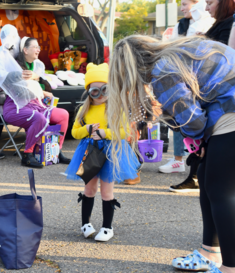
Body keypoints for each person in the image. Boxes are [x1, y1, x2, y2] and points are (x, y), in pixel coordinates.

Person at [108, 35, 235, 272]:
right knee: (208, 180)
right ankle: (210, 253)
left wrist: (199, 141)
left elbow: (192, 121)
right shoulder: (178, 51)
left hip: (231, 112)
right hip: (227, 108)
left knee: (221, 191)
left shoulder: (163, 71)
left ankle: (230, 267)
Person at [65, 63, 140, 242]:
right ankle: (86, 223)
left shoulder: (117, 108)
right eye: (94, 91)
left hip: (112, 153)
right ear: (89, 92)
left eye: (104, 89)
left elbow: (125, 132)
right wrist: (88, 129)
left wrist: (106, 133)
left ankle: (107, 227)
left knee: (107, 192)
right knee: (89, 188)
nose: (100, 95)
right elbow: (74, 132)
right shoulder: (84, 110)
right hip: (90, 151)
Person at [160, 0, 214, 193]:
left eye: (185, 4)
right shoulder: (181, 25)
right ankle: (183, 164)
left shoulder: (209, 23)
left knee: (199, 127)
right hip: (183, 80)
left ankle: (195, 175)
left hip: (203, 83)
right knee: (181, 122)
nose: (182, 9)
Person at [3, 36, 71, 168]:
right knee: (39, 118)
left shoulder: (37, 66)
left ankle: (56, 151)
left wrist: (38, 78)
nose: (38, 49)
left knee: (63, 114)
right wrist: (40, 90)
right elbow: (18, 89)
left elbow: (47, 87)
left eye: (39, 47)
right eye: (35, 47)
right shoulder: (14, 66)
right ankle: (27, 155)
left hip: (36, 105)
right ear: (25, 50)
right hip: (16, 107)